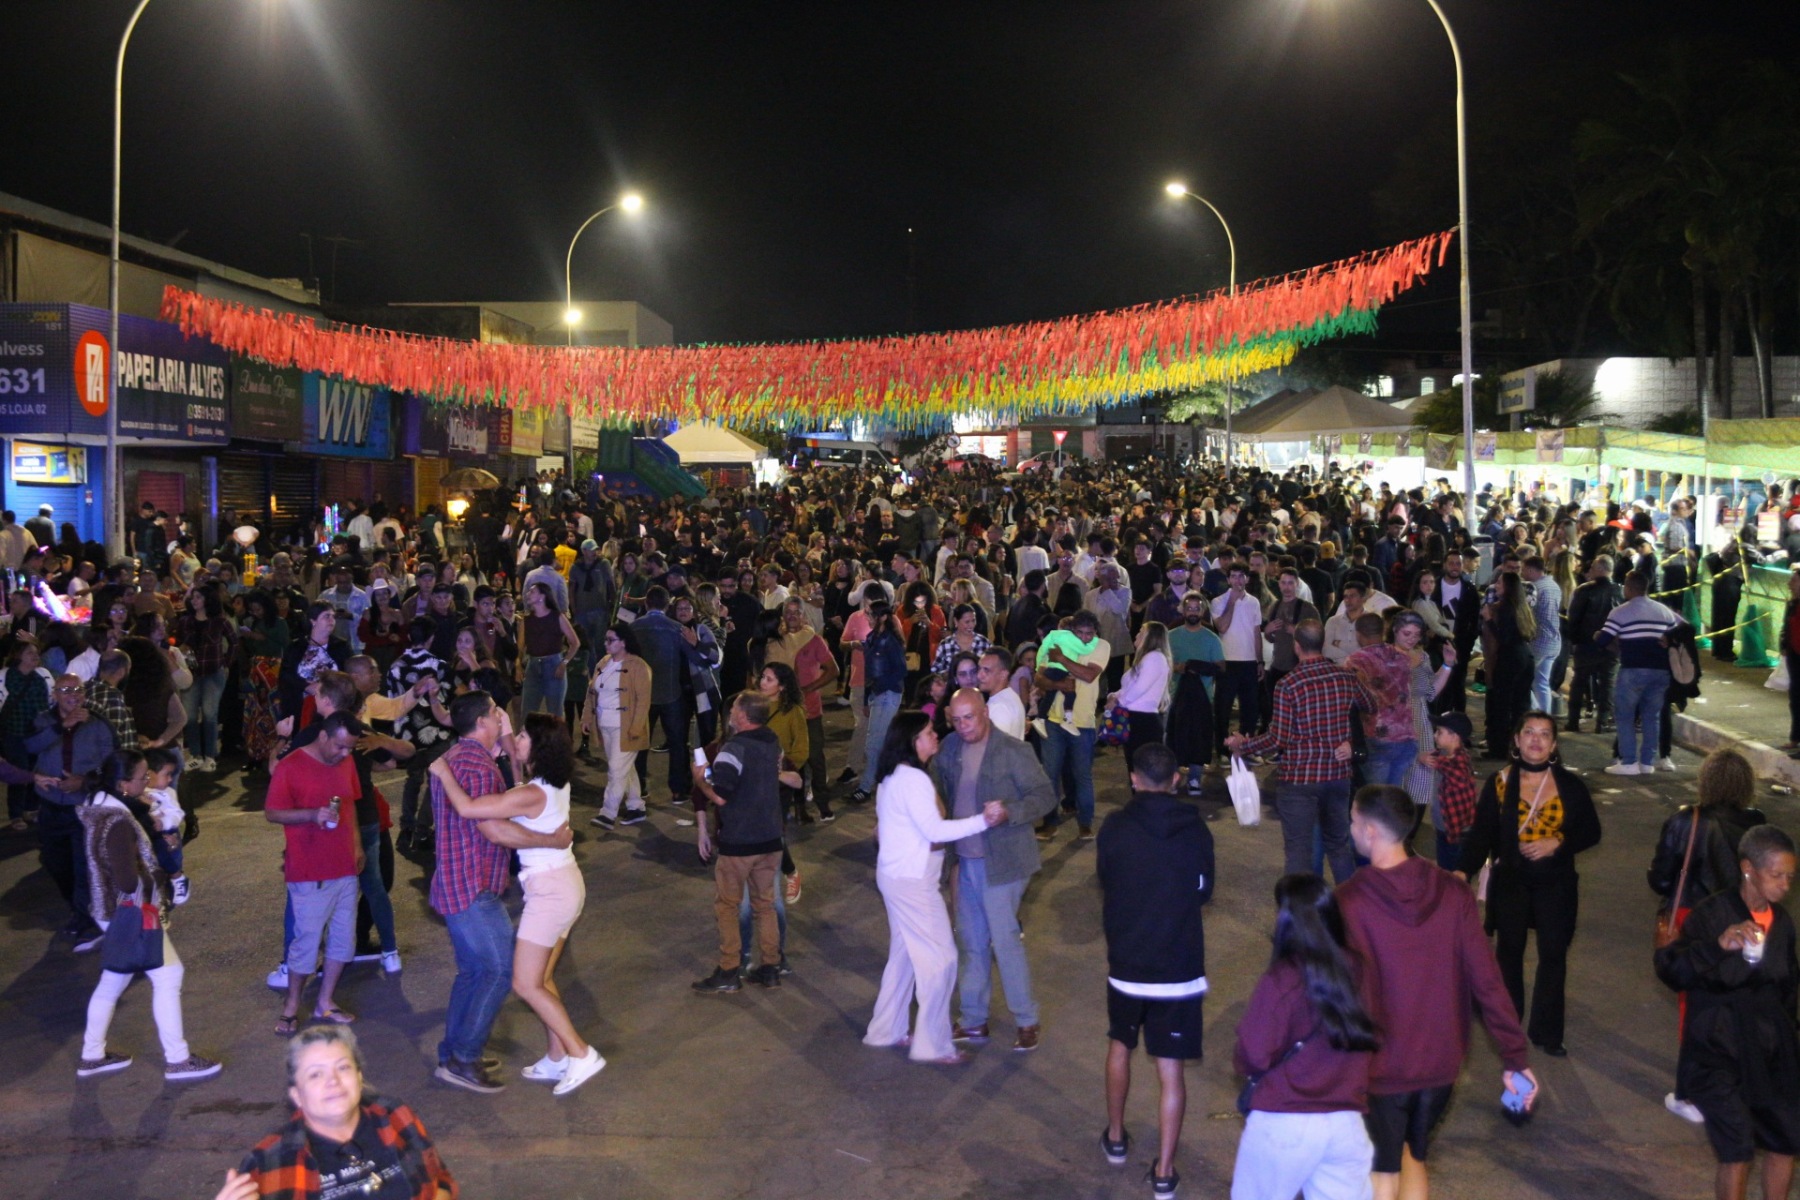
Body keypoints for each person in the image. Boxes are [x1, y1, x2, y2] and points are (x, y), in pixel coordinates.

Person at [1339, 784, 1536, 1200]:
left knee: (1381, 1168)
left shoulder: (1349, 901)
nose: (1351, 828)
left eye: (1353, 820)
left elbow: (1329, 989)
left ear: (1371, 831)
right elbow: (1487, 980)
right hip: (1441, 1062)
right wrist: (1514, 1056)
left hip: (1380, 1064)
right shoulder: (1452, 892)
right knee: (1414, 1155)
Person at [429, 714, 605, 1095]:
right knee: (542, 979)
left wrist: (443, 773)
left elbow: (470, 810)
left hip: (550, 894)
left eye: (523, 735)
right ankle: (557, 1057)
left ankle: (581, 1053)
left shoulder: (532, 793)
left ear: (539, 747)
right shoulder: (551, 784)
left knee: (525, 983)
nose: (516, 738)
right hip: (565, 886)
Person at [1655, 824, 1800, 1200]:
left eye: (1790, 876)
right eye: (1777, 875)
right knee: (1737, 1147)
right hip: (1717, 1049)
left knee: (1787, 1138)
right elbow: (1673, 970)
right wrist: (1718, 946)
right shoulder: (1711, 914)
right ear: (1748, 869)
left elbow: (1788, 988)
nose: (1785, 885)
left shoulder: (1783, 924)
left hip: (1770, 1050)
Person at [1097, 744, 1214, 1198]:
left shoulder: (1114, 827)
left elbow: (1107, 880)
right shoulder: (1195, 830)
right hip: (1178, 967)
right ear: (1176, 780)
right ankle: (1164, 1172)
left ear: (1133, 778)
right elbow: (1203, 890)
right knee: (1171, 1069)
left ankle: (1115, 1138)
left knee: (1120, 1045)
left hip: (1128, 962)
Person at [863, 710, 1005, 1064]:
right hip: (913, 883)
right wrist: (982, 821)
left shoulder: (892, 777)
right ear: (913, 741)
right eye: (928, 732)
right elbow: (935, 831)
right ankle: (934, 1044)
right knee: (942, 959)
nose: (935, 735)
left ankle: (886, 1030)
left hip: (897, 878)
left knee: (904, 956)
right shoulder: (913, 780)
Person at [1459, 711, 1601, 1058]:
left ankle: (1547, 1032)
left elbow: (1591, 831)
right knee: (1509, 952)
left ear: (1553, 745)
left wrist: (1559, 842)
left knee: (1554, 953)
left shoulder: (1570, 785)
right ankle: (1508, 1026)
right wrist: (1462, 871)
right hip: (1512, 880)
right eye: (1529, 732)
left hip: (1556, 882)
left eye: (1544, 734)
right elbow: (1481, 834)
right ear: (1517, 739)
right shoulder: (1499, 783)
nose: (1536, 739)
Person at [1230, 874, 1381, 1200]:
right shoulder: (1357, 968)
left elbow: (1254, 1053)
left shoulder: (1282, 979)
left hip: (1284, 1120)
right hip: (1345, 1123)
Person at [75, 748, 220, 1082]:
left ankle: (92, 1055)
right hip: (132, 911)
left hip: (110, 912)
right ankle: (178, 1060)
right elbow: (127, 880)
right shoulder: (118, 822)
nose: (148, 781)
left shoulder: (99, 806)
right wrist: (155, 879)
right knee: (169, 976)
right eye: (142, 777)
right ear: (123, 784)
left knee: (113, 980)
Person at [933, 688, 1058, 1052]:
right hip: (965, 861)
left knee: (1004, 941)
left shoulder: (1013, 751)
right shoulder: (950, 748)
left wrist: (1010, 811)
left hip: (1004, 862)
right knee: (971, 941)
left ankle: (1027, 1020)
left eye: (969, 718)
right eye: (956, 720)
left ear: (985, 712)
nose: (963, 727)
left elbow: (1044, 796)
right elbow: (938, 792)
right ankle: (973, 1020)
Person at [1648, 746, 1768, 1124]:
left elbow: (1660, 879)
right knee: (1734, 1004)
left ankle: (1693, 1095)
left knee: (1696, 1009)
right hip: (1743, 919)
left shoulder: (1687, 821)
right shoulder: (1757, 823)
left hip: (1693, 919)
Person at [211, 1025, 456, 1199]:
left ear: (359, 1078)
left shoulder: (395, 1115)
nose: (333, 1081)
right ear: (297, 1095)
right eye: (316, 1074)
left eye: (343, 1067)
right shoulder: (268, 1161)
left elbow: (440, 1181)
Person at [1230, 620, 1373, 882]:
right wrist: (1351, 739)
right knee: (1338, 845)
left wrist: (1244, 745)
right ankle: (1351, 903)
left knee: (1298, 850)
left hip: (1300, 779)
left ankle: (1301, 906)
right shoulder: (1346, 677)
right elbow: (1370, 705)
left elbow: (1278, 738)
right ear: (1323, 643)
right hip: (1337, 773)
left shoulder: (1288, 684)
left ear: (1296, 646)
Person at [264, 711, 364, 1036]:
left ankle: (325, 1001)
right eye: (340, 746)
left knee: (343, 940)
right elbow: (272, 812)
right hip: (309, 871)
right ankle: (291, 1006)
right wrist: (310, 815)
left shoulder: (346, 763)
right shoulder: (291, 766)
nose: (345, 754)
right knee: (306, 942)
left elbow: (350, 805)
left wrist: (357, 846)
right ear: (323, 736)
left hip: (345, 867)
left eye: (350, 748)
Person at [690, 691, 789, 993]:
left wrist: (699, 780)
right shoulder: (772, 741)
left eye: (734, 707)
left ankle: (729, 970)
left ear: (743, 715)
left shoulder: (733, 749)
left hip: (739, 842)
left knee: (727, 907)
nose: (730, 710)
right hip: (770, 839)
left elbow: (721, 796)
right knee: (765, 905)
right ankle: (770, 967)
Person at [1595, 570, 1682, 775]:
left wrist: (1597, 635)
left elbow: (1603, 639)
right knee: (1652, 717)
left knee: (1625, 716)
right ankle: (1647, 763)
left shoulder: (1620, 612)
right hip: (1660, 672)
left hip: (1632, 670)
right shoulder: (1664, 611)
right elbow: (1680, 634)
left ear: (1628, 587)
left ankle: (1628, 762)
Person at [1035, 609, 1109, 841]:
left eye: (1089, 633)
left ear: (1096, 632)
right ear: (1072, 631)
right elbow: (1039, 677)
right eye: (1080, 633)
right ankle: (1050, 823)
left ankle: (1085, 823)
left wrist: (1061, 659)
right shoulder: (1061, 641)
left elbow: (1088, 675)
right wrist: (1058, 686)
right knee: (1050, 774)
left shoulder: (1101, 646)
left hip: (1082, 723)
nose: (1085, 638)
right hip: (1053, 721)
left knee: (1082, 775)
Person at [582, 623, 651, 830]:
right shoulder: (603, 662)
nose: (606, 643)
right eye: (606, 639)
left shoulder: (639, 666)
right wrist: (586, 717)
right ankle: (636, 806)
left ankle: (608, 813)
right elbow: (591, 692)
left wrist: (636, 728)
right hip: (605, 725)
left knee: (615, 770)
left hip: (626, 727)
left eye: (611, 640)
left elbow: (643, 701)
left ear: (623, 642)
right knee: (623, 768)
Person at [1566, 555, 1622, 734]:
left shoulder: (1584, 591)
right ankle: (1602, 721)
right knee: (1608, 684)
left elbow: (1574, 618)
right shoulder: (1620, 591)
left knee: (1579, 682)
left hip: (1586, 644)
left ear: (1599, 569)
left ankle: (1573, 720)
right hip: (1611, 645)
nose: (1589, 571)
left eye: (1592, 568)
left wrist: (1574, 641)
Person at [1111, 620, 1171, 775]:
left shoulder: (1154, 658)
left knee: (1143, 771)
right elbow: (1130, 687)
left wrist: (1118, 701)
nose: (1137, 635)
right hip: (1135, 718)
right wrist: (1114, 696)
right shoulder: (1146, 659)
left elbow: (1139, 688)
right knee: (1135, 768)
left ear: (1151, 637)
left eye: (1141, 632)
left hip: (1143, 721)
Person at [518, 581, 579, 717]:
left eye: (532, 592)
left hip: (553, 663)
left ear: (542, 596)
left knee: (555, 712)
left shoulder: (557, 617)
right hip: (533, 665)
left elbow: (575, 642)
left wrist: (564, 663)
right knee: (528, 711)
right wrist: (518, 664)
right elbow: (521, 646)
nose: (528, 594)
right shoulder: (526, 620)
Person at [977, 647, 1026, 740]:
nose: (979, 675)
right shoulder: (1012, 696)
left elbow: (996, 746)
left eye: (986, 670)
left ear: (1003, 674)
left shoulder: (998, 708)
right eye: (979, 669)